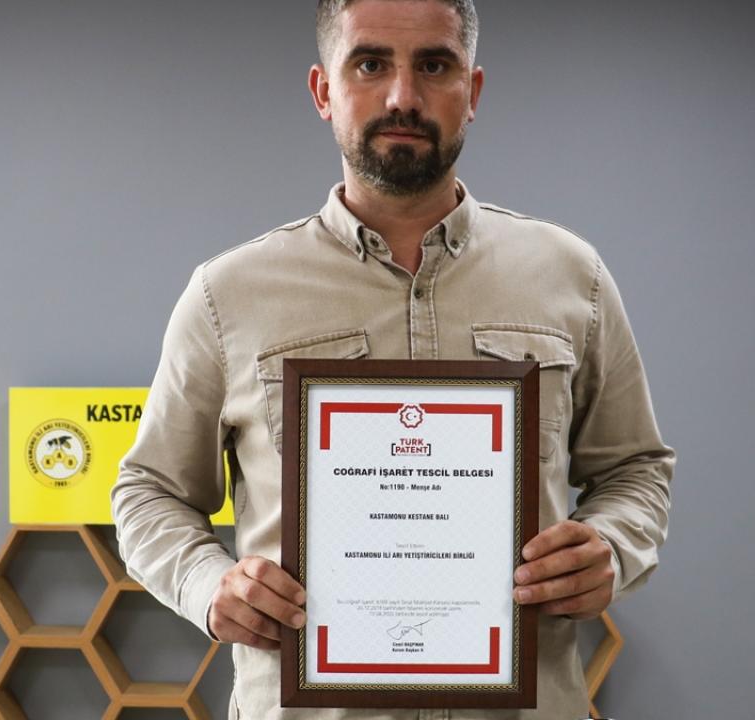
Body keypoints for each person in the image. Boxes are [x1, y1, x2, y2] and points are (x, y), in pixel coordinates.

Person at [111, 1, 675, 717]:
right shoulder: (228, 295)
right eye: (371, 63)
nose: (403, 96)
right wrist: (206, 584)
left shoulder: (572, 277)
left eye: (434, 65)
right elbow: (148, 490)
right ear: (324, 91)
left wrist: (611, 549)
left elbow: (635, 469)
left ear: (472, 91)